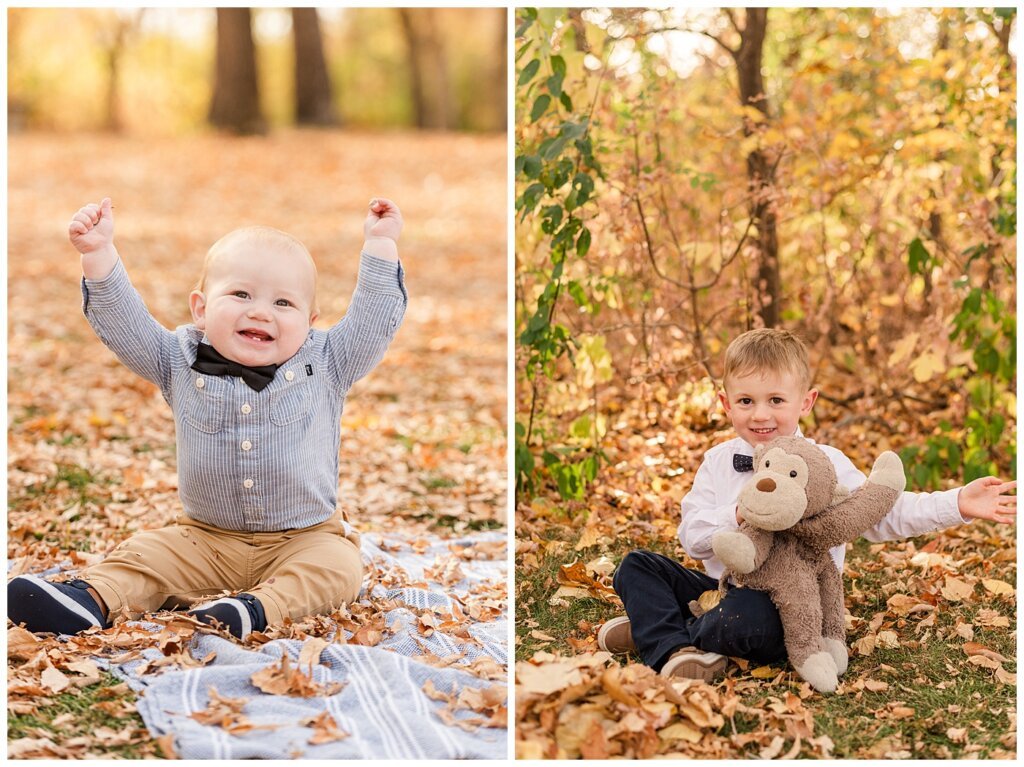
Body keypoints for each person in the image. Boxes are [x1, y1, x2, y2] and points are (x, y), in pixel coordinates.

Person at [8, 196, 407, 640]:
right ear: (200, 308)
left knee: (338, 568)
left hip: (304, 537)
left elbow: (373, 321)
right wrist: (98, 255)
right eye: (241, 294)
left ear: (310, 323)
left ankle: (254, 611)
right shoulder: (176, 360)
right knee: (145, 553)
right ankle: (90, 599)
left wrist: (380, 246)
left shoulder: (329, 361)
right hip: (204, 539)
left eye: (283, 303)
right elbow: (125, 324)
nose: (260, 311)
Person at [598, 328, 1016, 681]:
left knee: (748, 618)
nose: (761, 414)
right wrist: (739, 514)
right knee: (636, 566)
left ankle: (664, 628)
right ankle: (675, 650)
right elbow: (692, 539)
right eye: (746, 401)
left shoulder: (826, 465)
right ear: (726, 404)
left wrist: (958, 502)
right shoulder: (719, 462)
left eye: (776, 400)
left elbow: (880, 513)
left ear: (806, 402)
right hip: (722, 588)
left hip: (790, 604)